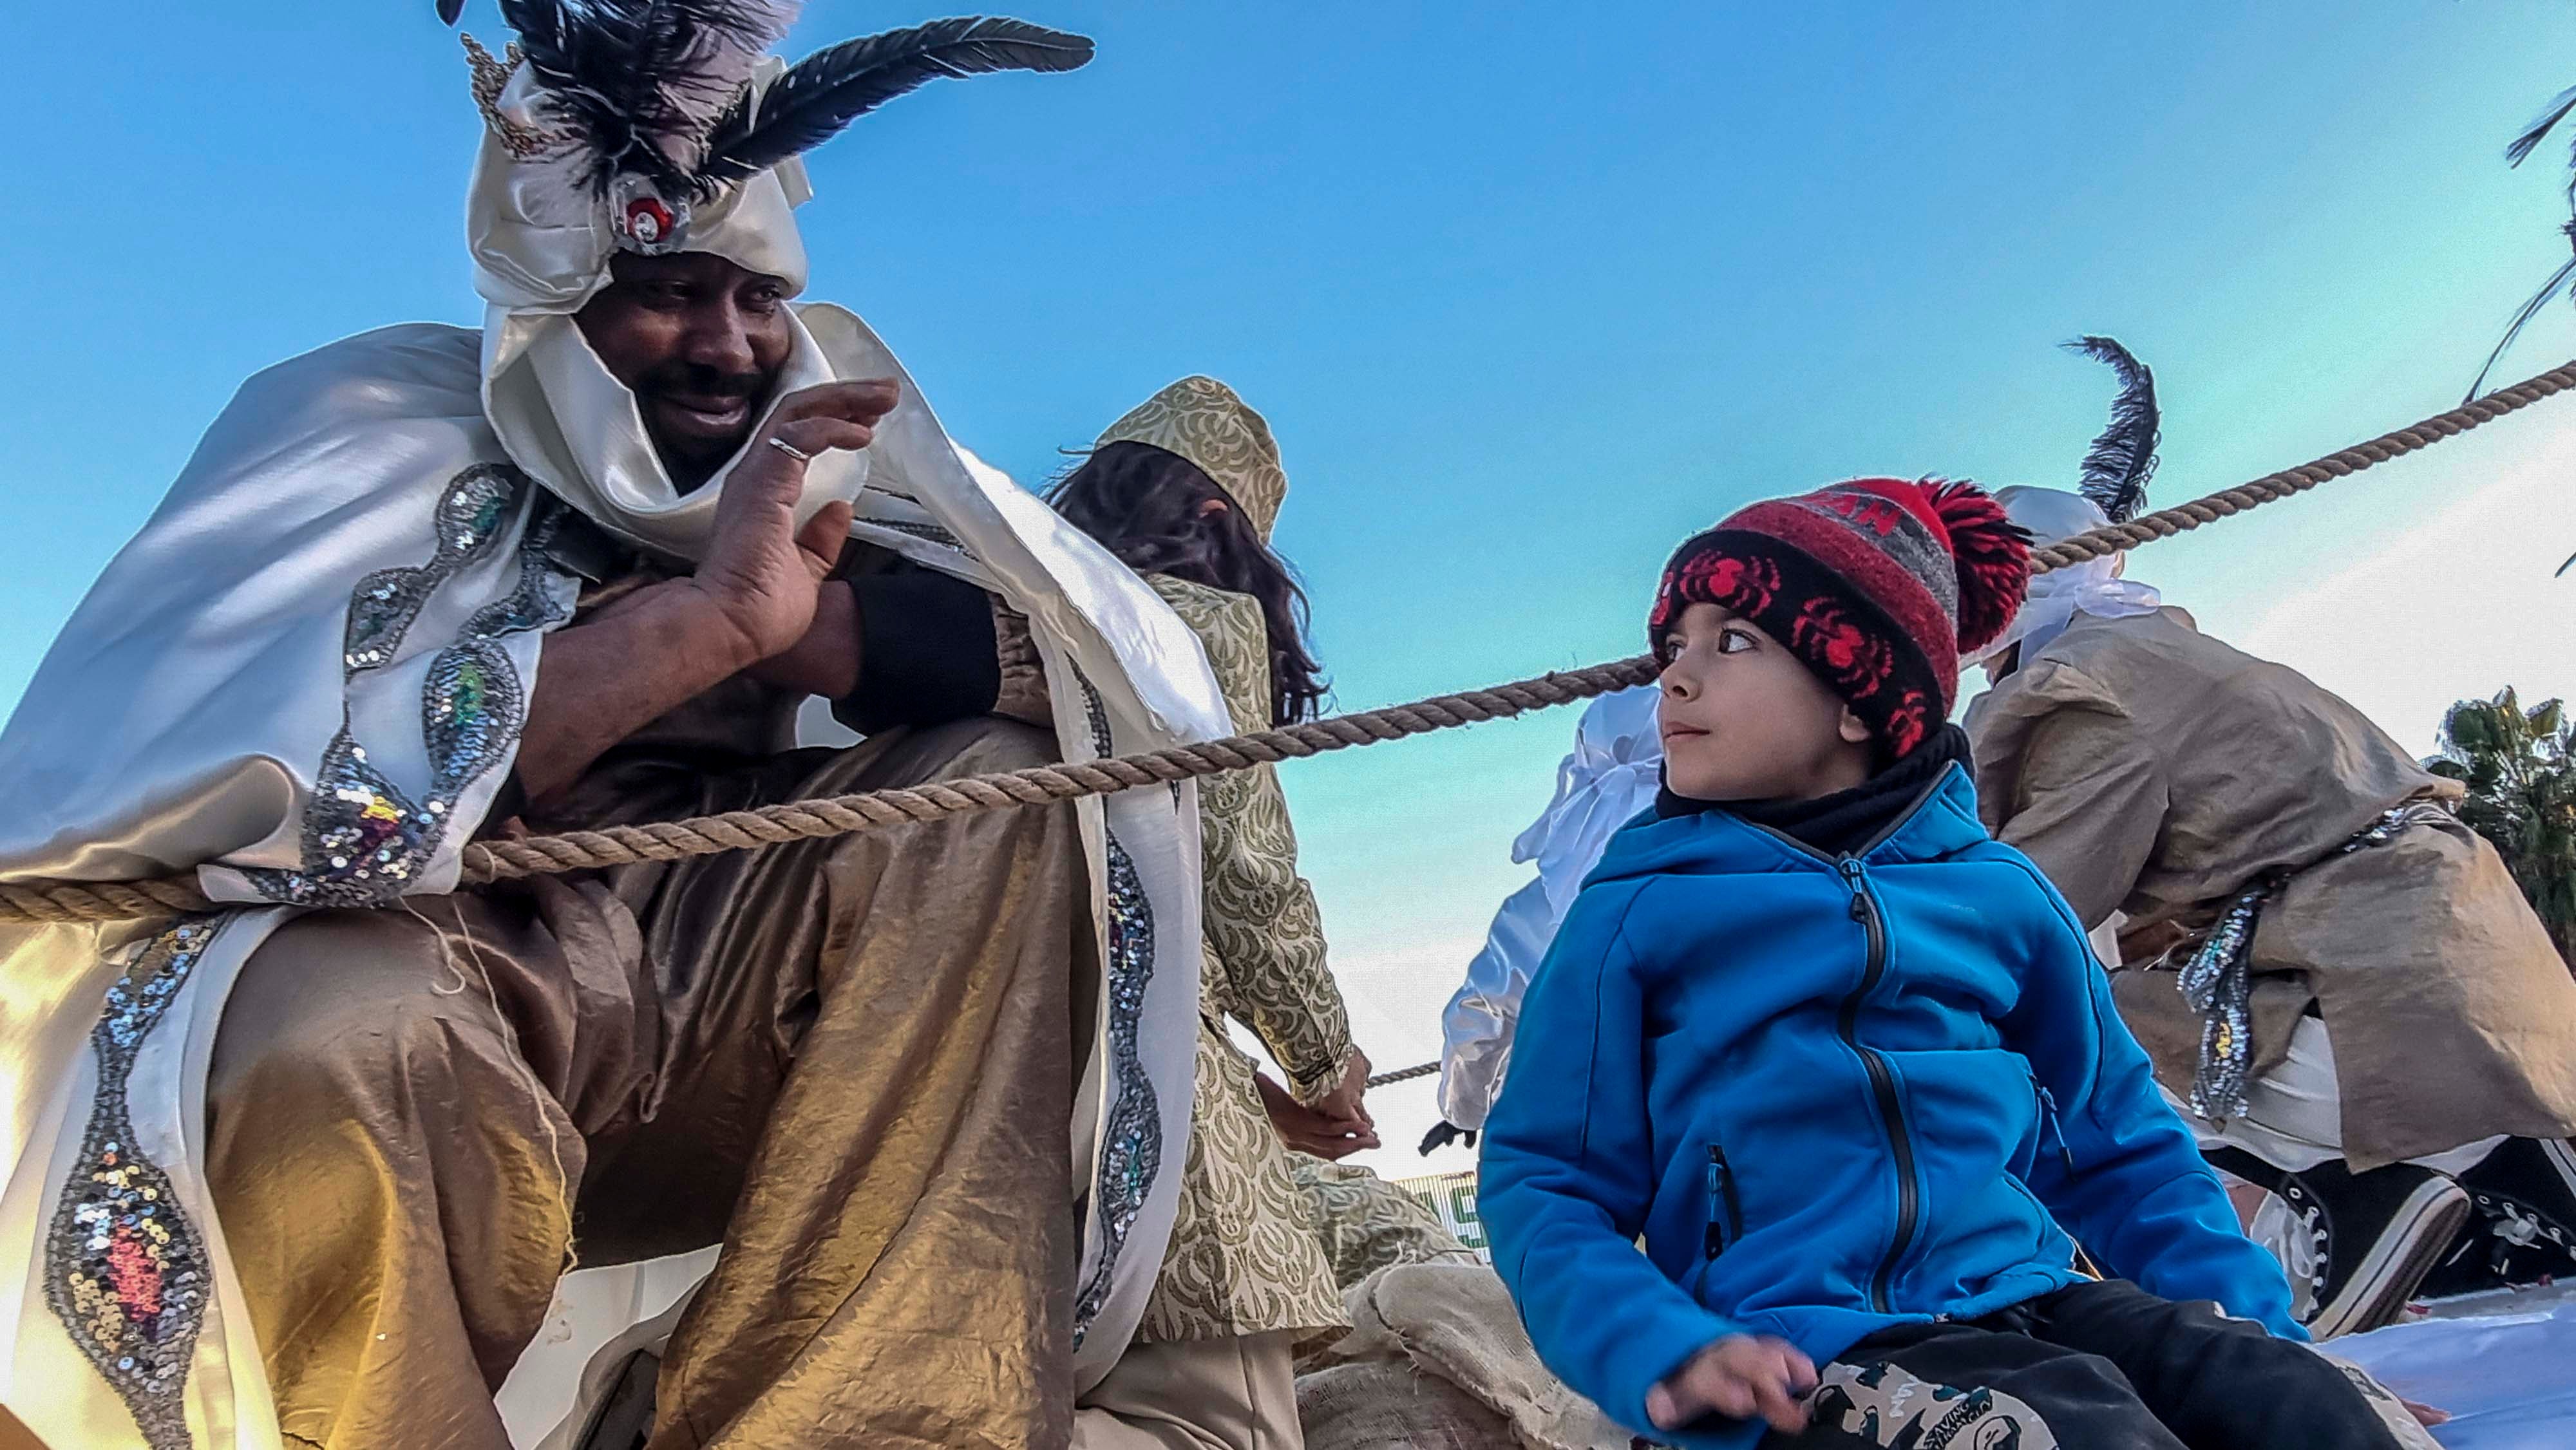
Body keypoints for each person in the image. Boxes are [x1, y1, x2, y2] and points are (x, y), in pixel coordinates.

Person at [0, 12, 1231, 1450]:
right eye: (662, 292)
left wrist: (802, 618)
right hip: (411, 989)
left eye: (755, 299)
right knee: (342, 1029)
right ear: (552, 298)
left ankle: (858, 1425)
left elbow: (1108, 686)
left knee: (995, 791)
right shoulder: (361, 418)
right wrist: (695, 625)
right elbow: (287, 796)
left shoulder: (816, 455)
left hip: (701, 993)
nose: (724, 346)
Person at [1479, 478, 2430, 1449]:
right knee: (2071, 1434)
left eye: (1731, 642)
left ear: (1857, 696)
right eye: (1673, 646)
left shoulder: (2000, 895)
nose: (1674, 679)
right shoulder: (1636, 912)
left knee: (2304, 1407)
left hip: (2037, 1299)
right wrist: (1660, 1347)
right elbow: (1544, 1179)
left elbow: (2122, 1145)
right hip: (1797, 1354)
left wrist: (2271, 1340)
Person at [1965, 482, 2576, 1334]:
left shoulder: (2080, 687)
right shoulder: (2168, 655)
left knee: (2058, 1032)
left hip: (2369, 980)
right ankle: (2471, 1180)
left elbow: (2026, 914)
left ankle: (2339, 1209)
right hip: (2479, 957)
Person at [1050, 377, 1373, 1450]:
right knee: (1212, 1429)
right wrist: (1324, 1061)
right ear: (1218, 519)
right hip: (1143, 1106)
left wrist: (1253, 1090)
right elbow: (1238, 869)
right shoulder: (1182, 621)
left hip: (971, 1075)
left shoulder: (1018, 605)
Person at [1425, 684, 1661, 1154]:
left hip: (1574, 1142)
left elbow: (1479, 1018)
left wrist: (1461, 1112)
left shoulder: (1535, 910)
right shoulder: (1744, 859)